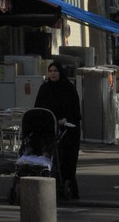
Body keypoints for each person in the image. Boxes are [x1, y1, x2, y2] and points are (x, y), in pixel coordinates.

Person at [32, 61, 82, 200]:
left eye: (55, 71)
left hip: (67, 132)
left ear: (60, 72)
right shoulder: (45, 89)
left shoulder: (68, 89)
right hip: (48, 130)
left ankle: (67, 188)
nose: (53, 73)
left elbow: (75, 112)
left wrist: (65, 120)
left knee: (66, 162)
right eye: (50, 71)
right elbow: (38, 108)